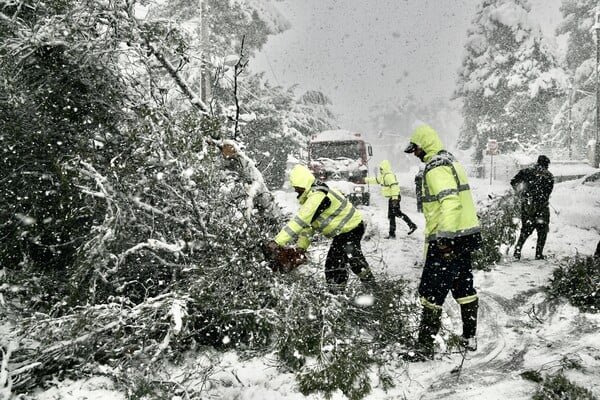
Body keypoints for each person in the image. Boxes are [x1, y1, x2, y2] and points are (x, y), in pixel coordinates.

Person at [404, 124, 482, 361]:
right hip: (465, 237)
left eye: (415, 149)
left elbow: (450, 202)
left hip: (448, 240)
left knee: (431, 294)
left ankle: (424, 348)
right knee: (464, 288)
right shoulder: (451, 162)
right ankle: (470, 338)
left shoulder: (435, 168)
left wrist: (444, 239)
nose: (415, 154)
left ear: (424, 145)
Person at [268, 164, 377, 294]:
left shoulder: (317, 196)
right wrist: (301, 247)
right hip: (346, 230)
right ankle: (358, 289)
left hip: (350, 228)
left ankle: (343, 293)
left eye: (297, 187)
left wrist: (277, 242)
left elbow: (299, 221)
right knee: (345, 260)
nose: (296, 190)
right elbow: (309, 226)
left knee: (338, 262)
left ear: (304, 183)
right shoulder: (312, 196)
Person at [510, 155, 554, 260]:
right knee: (542, 230)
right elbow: (548, 192)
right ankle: (539, 254)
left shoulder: (527, 172)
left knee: (526, 229)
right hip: (541, 207)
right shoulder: (549, 176)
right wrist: (540, 197)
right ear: (546, 164)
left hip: (527, 205)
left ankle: (518, 250)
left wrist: (521, 192)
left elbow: (513, 182)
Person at [365, 159, 417, 238]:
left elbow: (394, 186)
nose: (380, 170)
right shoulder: (384, 177)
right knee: (392, 215)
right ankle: (393, 233)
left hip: (394, 198)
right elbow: (375, 180)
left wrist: (395, 199)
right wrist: (364, 180)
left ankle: (411, 226)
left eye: (381, 169)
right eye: (380, 169)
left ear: (385, 168)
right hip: (392, 198)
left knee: (396, 214)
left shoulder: (389, 176)